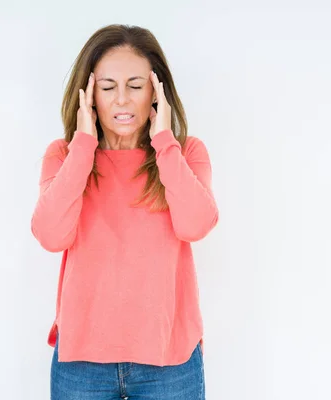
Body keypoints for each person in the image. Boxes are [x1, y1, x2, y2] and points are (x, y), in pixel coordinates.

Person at [30, 24, 218, 399]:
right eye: (107, 87)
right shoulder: (64, 156)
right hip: (81, 363)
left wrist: (164, 141)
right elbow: (51, 235)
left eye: (134, 86)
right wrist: (83, 144)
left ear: (155, 91)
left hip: (170, 360)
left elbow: (196, 224)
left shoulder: (185, 153)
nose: (121, 100)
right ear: (88, 94)